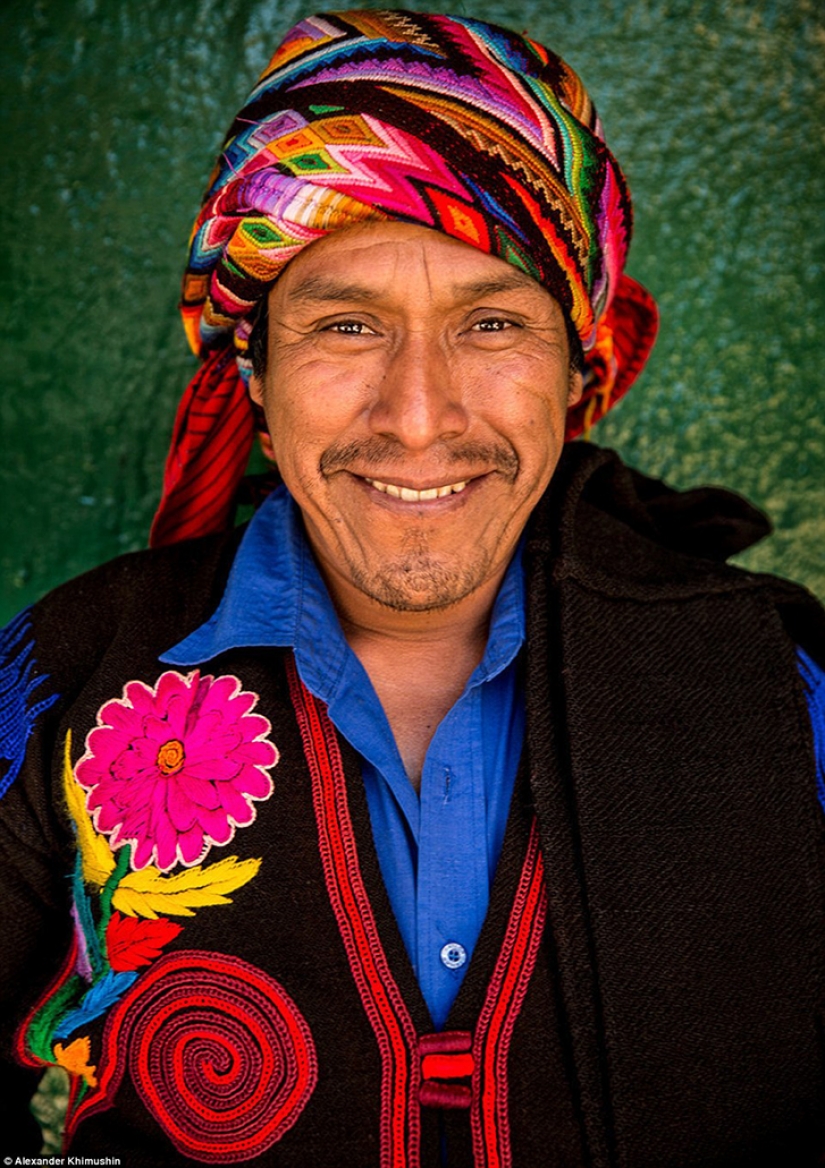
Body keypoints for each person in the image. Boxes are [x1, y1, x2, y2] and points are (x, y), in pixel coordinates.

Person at [1, 9, 824, 1164]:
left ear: (579, 371)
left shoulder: (782, 692)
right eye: (347, 325)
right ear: (258, 378)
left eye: (492, 323)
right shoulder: (64, 683)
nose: (420, 416)